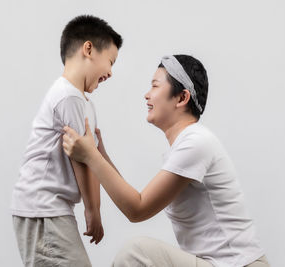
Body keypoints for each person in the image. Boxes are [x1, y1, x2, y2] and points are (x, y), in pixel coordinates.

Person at [62, 55, 270, 267]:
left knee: (136, 253)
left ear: (181, 98)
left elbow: (137, 208)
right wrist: (99, 153)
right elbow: (134, 199)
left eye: (155, 86)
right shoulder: (187, 144)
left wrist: (91, 156)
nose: (147, 95)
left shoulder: (196, 143)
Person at [10, 15, 122, 267]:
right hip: (44, 207)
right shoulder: (69, 97)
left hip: (50, 208)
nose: (111, 73)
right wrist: (93, 210)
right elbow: (81, 160)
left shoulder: (81, 101)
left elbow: (95, 158)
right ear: (89, 49)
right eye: (110, 62)